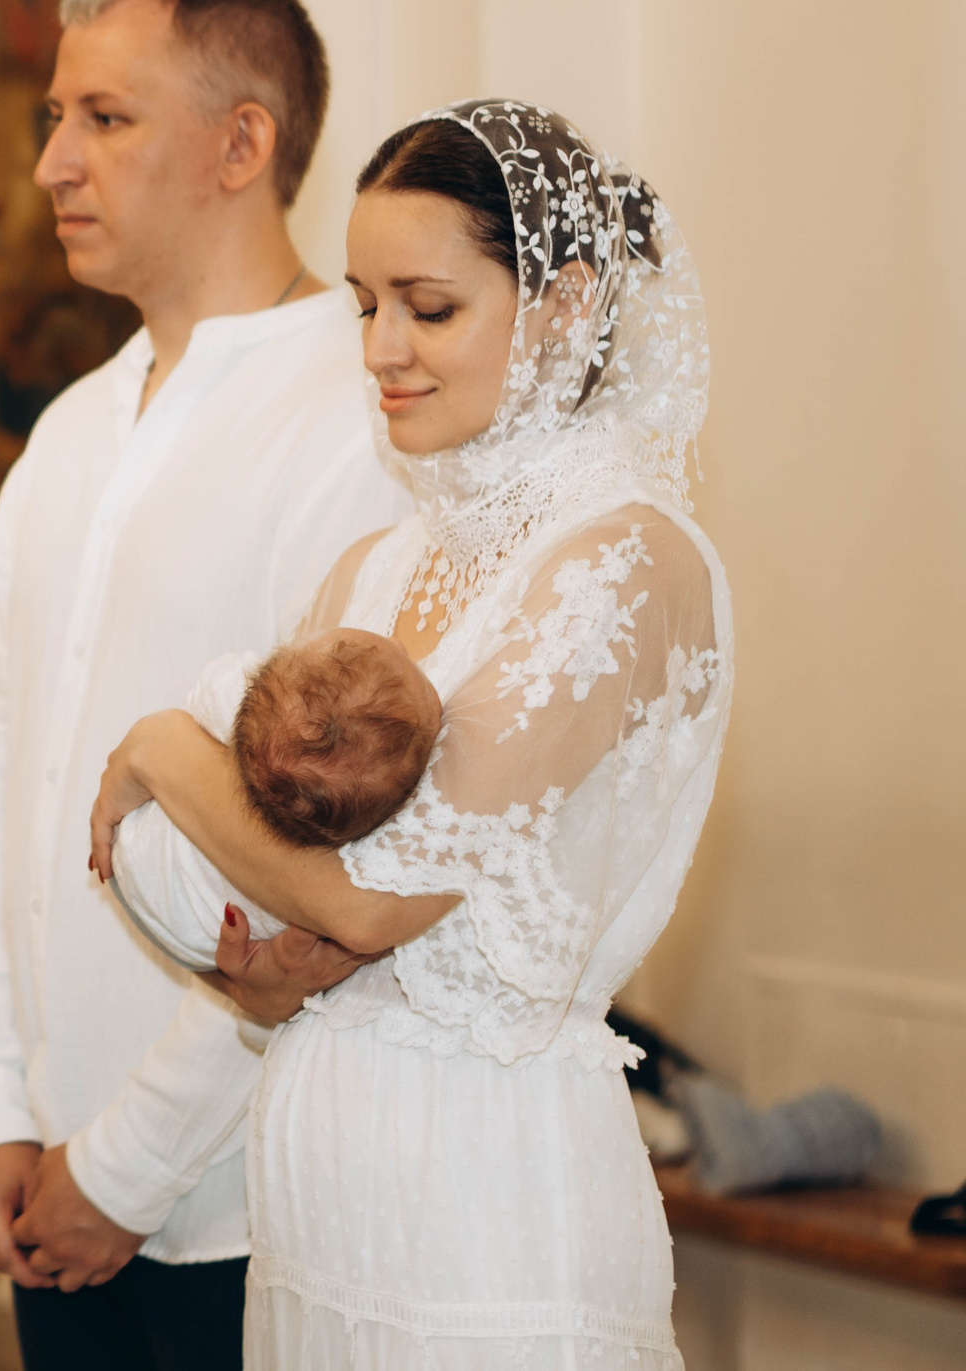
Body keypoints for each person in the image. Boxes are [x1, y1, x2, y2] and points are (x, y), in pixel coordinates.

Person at [94, 100, 732, 1366]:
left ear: (559, 303)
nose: (381, 347)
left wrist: (160, 746)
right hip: (325, 1205)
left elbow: (374, 906)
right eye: (362, 304)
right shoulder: (376, 568)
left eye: (427, 307)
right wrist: (267, 974)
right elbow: (296, 904)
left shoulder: (621, 556)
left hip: (491, 1205)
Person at [0, 0, 411, 1371]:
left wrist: (127, 1166)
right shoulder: (71, 426)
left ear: (243, 143)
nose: (52, 161)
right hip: (42, 1161)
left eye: (106, 119)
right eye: (55, 117)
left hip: (241, 1186)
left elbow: (326, 854)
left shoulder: (358, 419)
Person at [91, 632, 439, 975]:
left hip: (136, 853)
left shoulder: (250, 700)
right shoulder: (359, 828)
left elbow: (210, 686)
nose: (401, 643)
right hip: (198, 940)